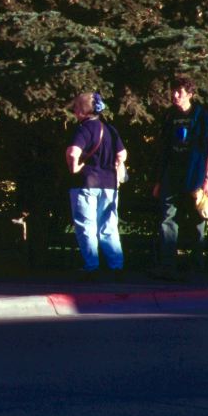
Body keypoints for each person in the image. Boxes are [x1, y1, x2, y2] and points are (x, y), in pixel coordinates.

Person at [151, 74, 208, 279]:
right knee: (167, 217)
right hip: (172, 172)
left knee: (196, 218)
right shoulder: (169, 116)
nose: (175, 95)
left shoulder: (202, 117)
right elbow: (163, 149)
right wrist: (159, 180)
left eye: (180, 91)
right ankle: (167, 265)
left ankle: (197, 265)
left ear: (190, 94)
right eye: (173, 90)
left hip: (194, 172)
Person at [65, 92, 127, 280]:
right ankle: (116, 267)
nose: (74, 111)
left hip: (86, 184)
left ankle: (91, 266)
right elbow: (122, 154)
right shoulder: (110, 129)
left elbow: (73, 151)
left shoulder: (83, 129)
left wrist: (73, 166)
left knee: (87, 226)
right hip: (109, 184)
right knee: (109, 226)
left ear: (83, 111)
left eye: (76, 107)